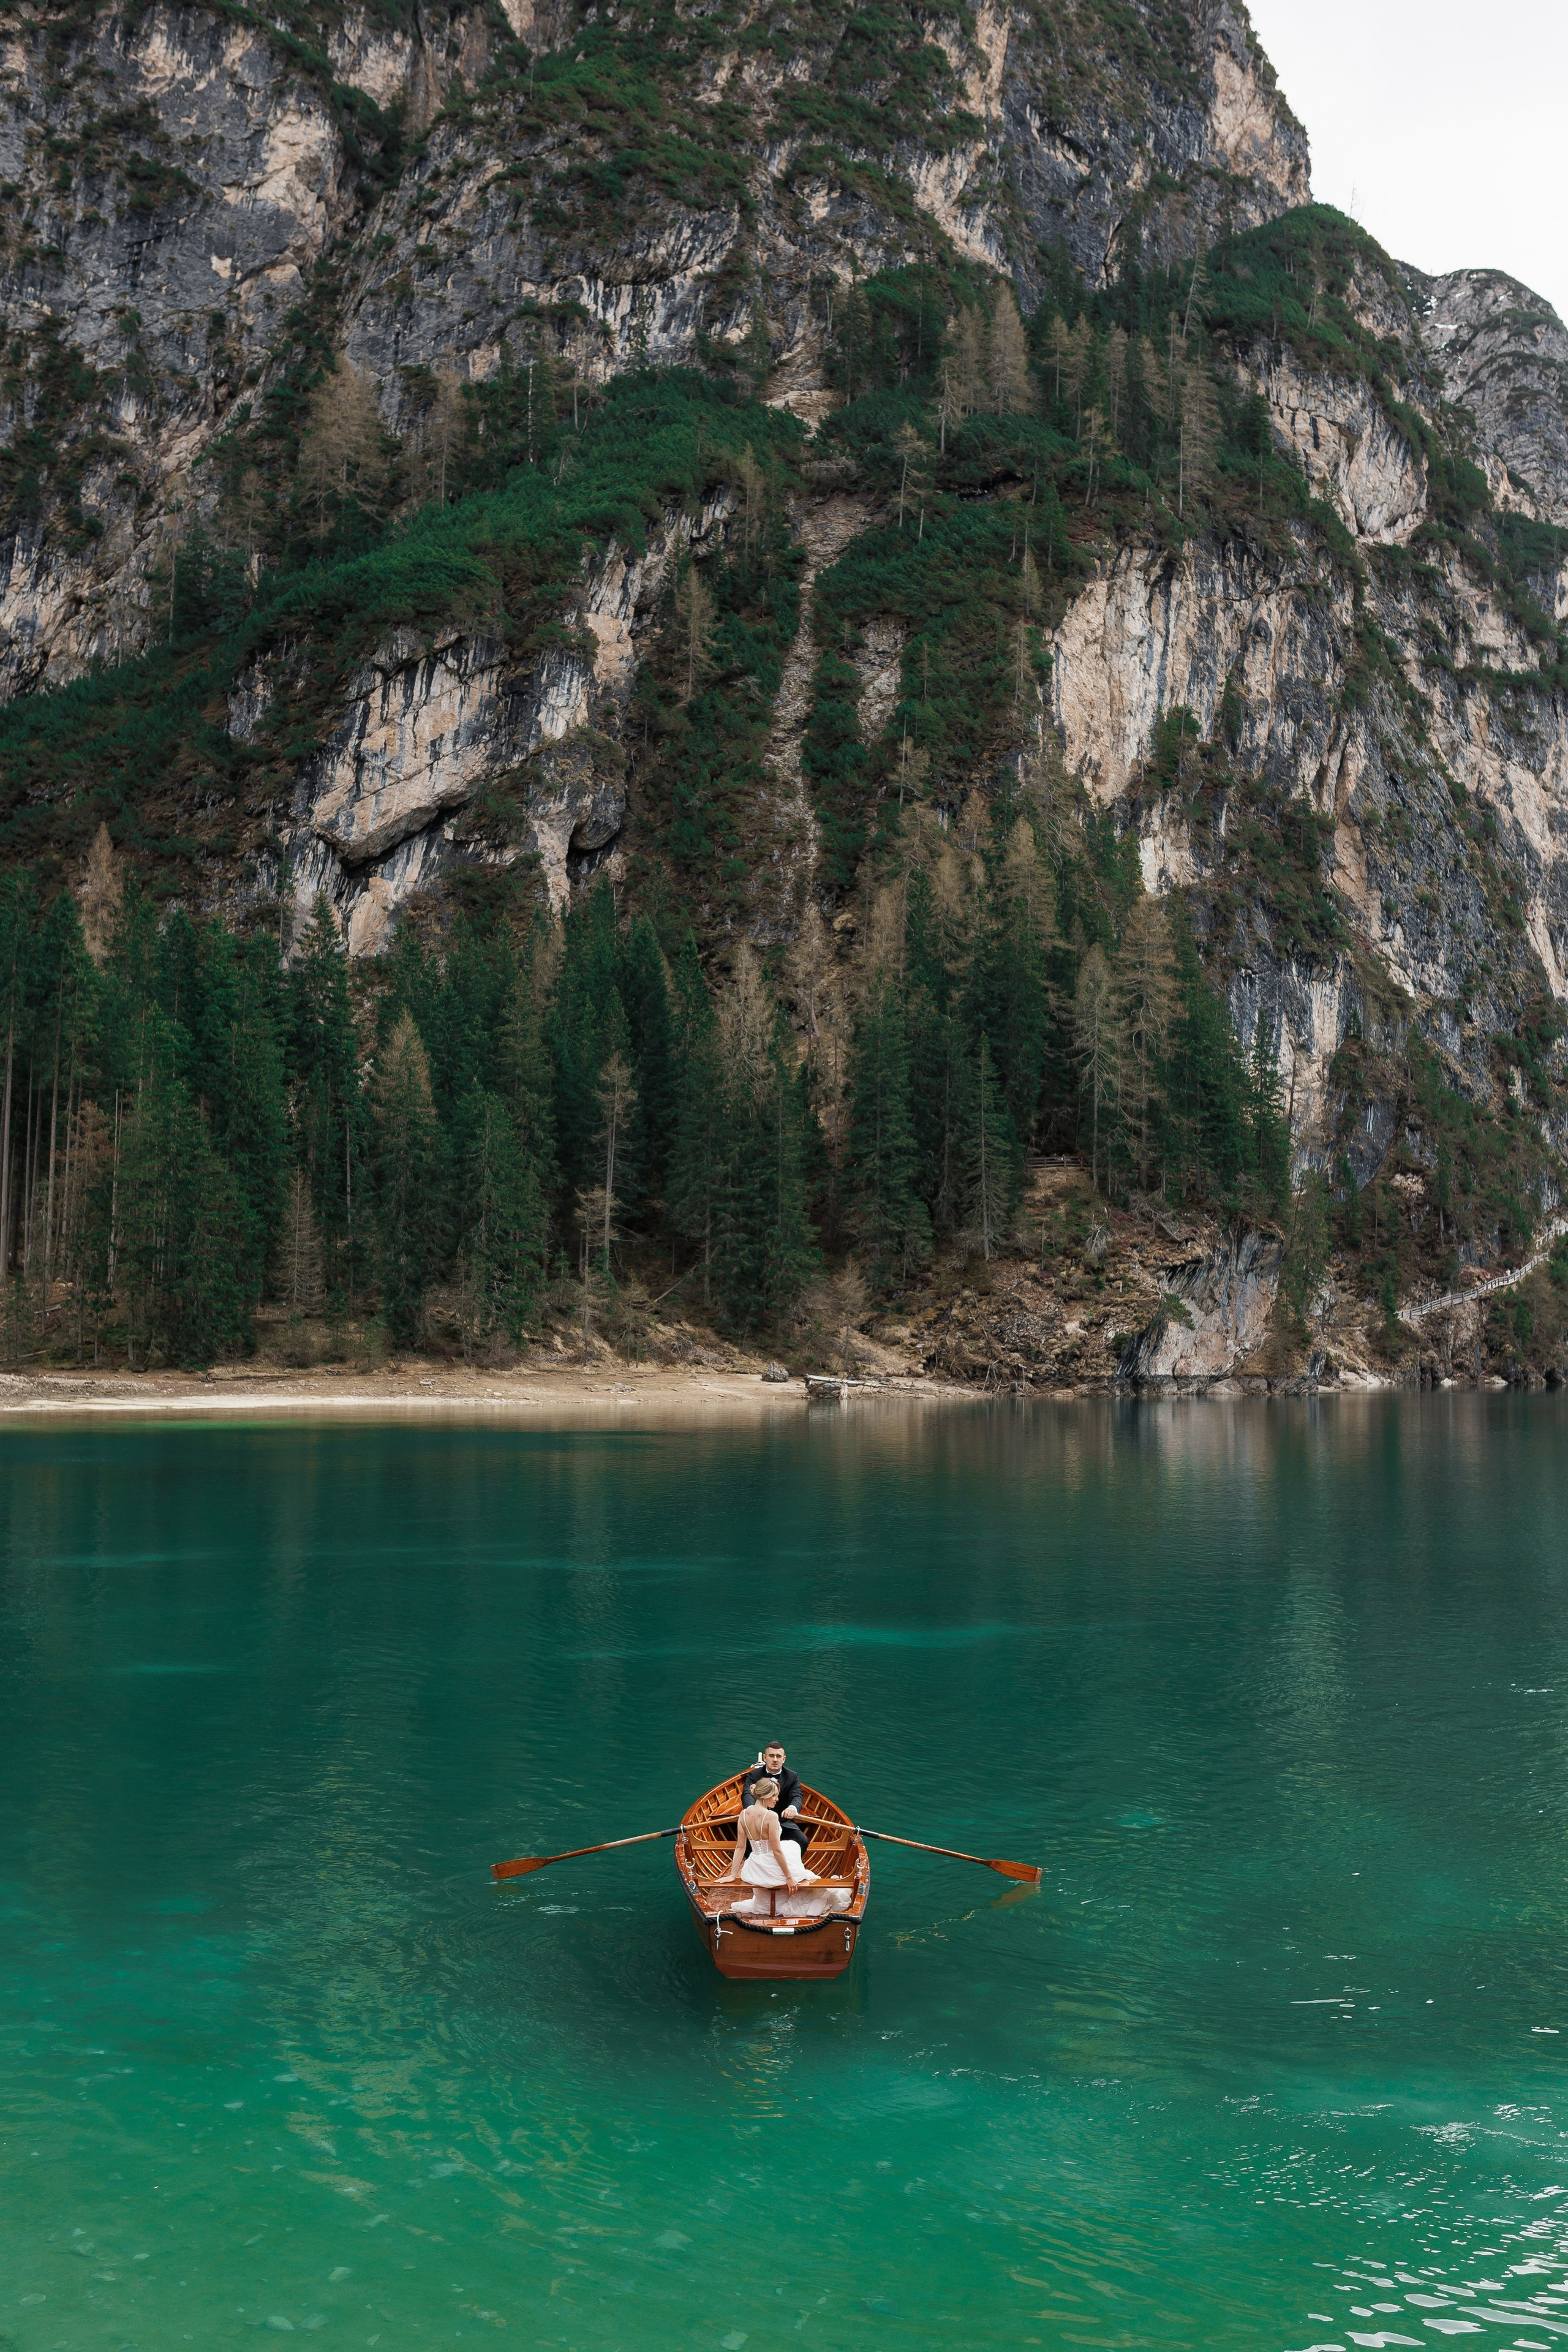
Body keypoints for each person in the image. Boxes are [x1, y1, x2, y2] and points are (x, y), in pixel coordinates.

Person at [714, 1778, 845, 1918]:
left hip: (754, 1869)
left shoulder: (743, 1814)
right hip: (771, 1869)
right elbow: (776, 1851)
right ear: (764, 1796)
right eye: (774, 1795)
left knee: (791, 1845)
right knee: (793, 1846)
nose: (777, 1799)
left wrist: (733, 1875)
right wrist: (789, 1877)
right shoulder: (771, 1816)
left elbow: (740, 1847)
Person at [741, 1743, 809, 1854]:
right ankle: (754, 1863)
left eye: (779, 1756)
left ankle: (791, 1865)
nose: (775, 1760)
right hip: (758, 1822)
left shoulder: (792, 1776)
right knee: (748, 1842)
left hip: (783, 1822)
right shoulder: (754, 1775)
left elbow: (797, 1796)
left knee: (802, 1841)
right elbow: (747, 1794)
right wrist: (751, 1809)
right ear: (765, 1758)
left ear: (784, 1759)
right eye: (771, 1756)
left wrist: (792, 1808)